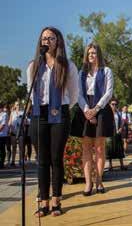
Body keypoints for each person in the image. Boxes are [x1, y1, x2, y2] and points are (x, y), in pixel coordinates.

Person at [27, 27, 79, 216]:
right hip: (39, 114)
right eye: (44, 38)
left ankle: (56, 200)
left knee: (56, 159)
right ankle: (43, 201)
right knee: (42, 160)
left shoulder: (68, 65)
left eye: (51, 38)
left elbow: (74, 95)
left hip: (59, 114)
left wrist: (60, 108)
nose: (47, 41)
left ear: (58, 41)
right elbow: (30, 92)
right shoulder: (33, 66)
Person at [72, 43, 114, 196]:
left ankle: (99, 180)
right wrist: (86, 111)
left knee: (100, 148)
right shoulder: (81, 73)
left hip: (101, 108)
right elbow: (78, 93)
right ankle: (88, 183)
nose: (91, 55)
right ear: (86, 55)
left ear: (99, 55)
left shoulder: (107, 71)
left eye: (94, 53)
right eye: (89, 53)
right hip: (84, 108)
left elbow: (108, 92)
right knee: (86, 148)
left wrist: (96, 109)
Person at [107, 98, 127, 171]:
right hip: (110, 133)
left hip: (117, 133)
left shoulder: (118, 113)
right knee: (110, 150)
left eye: (115, 104)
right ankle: (110, 166)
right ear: (110, 105)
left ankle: (122, 165)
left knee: (119, 149)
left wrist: (121, 128)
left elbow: (122, 122)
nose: (114, 106)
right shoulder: (107, 113)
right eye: (112, 104)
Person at [8, 101, 23, 167]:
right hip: (13, 132)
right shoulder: (12, 113)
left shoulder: (22, 112)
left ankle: (21, 161)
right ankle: (13, 161)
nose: (18, 106)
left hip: (20, 132)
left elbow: (25, 121)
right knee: (13, 147)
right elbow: (10, 122)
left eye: (19, 104)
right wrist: (10, 126)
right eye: (17, 105)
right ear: (14, 105)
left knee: (21, 147)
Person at [0, 104, 9, 169]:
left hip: (2, 135)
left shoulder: (4, 114)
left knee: (1, 149)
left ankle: (1, 163)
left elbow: (2, 125)